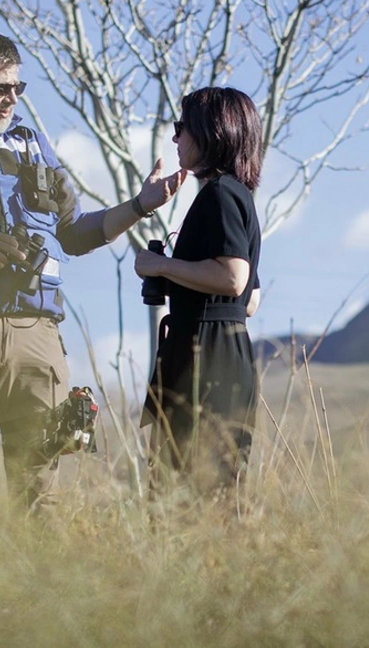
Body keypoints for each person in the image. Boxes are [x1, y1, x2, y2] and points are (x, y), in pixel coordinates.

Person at [0, 31, 186, 556]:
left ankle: (41, 615)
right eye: (0, 87)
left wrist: (141, 204)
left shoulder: (33, 142)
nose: (12, 98)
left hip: (38, 334)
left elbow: (76, 233)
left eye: (18, 87)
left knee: (41, 489)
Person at [133, 87, 263, 497]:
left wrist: (161, 266)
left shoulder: (220, 195)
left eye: (181, 128)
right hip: (229, 355)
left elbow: (234, 280)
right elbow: (251, 301)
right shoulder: (238, 196)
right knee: (217, 494)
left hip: (203, 359)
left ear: (211, 132)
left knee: (184, 497)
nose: (175, 139)